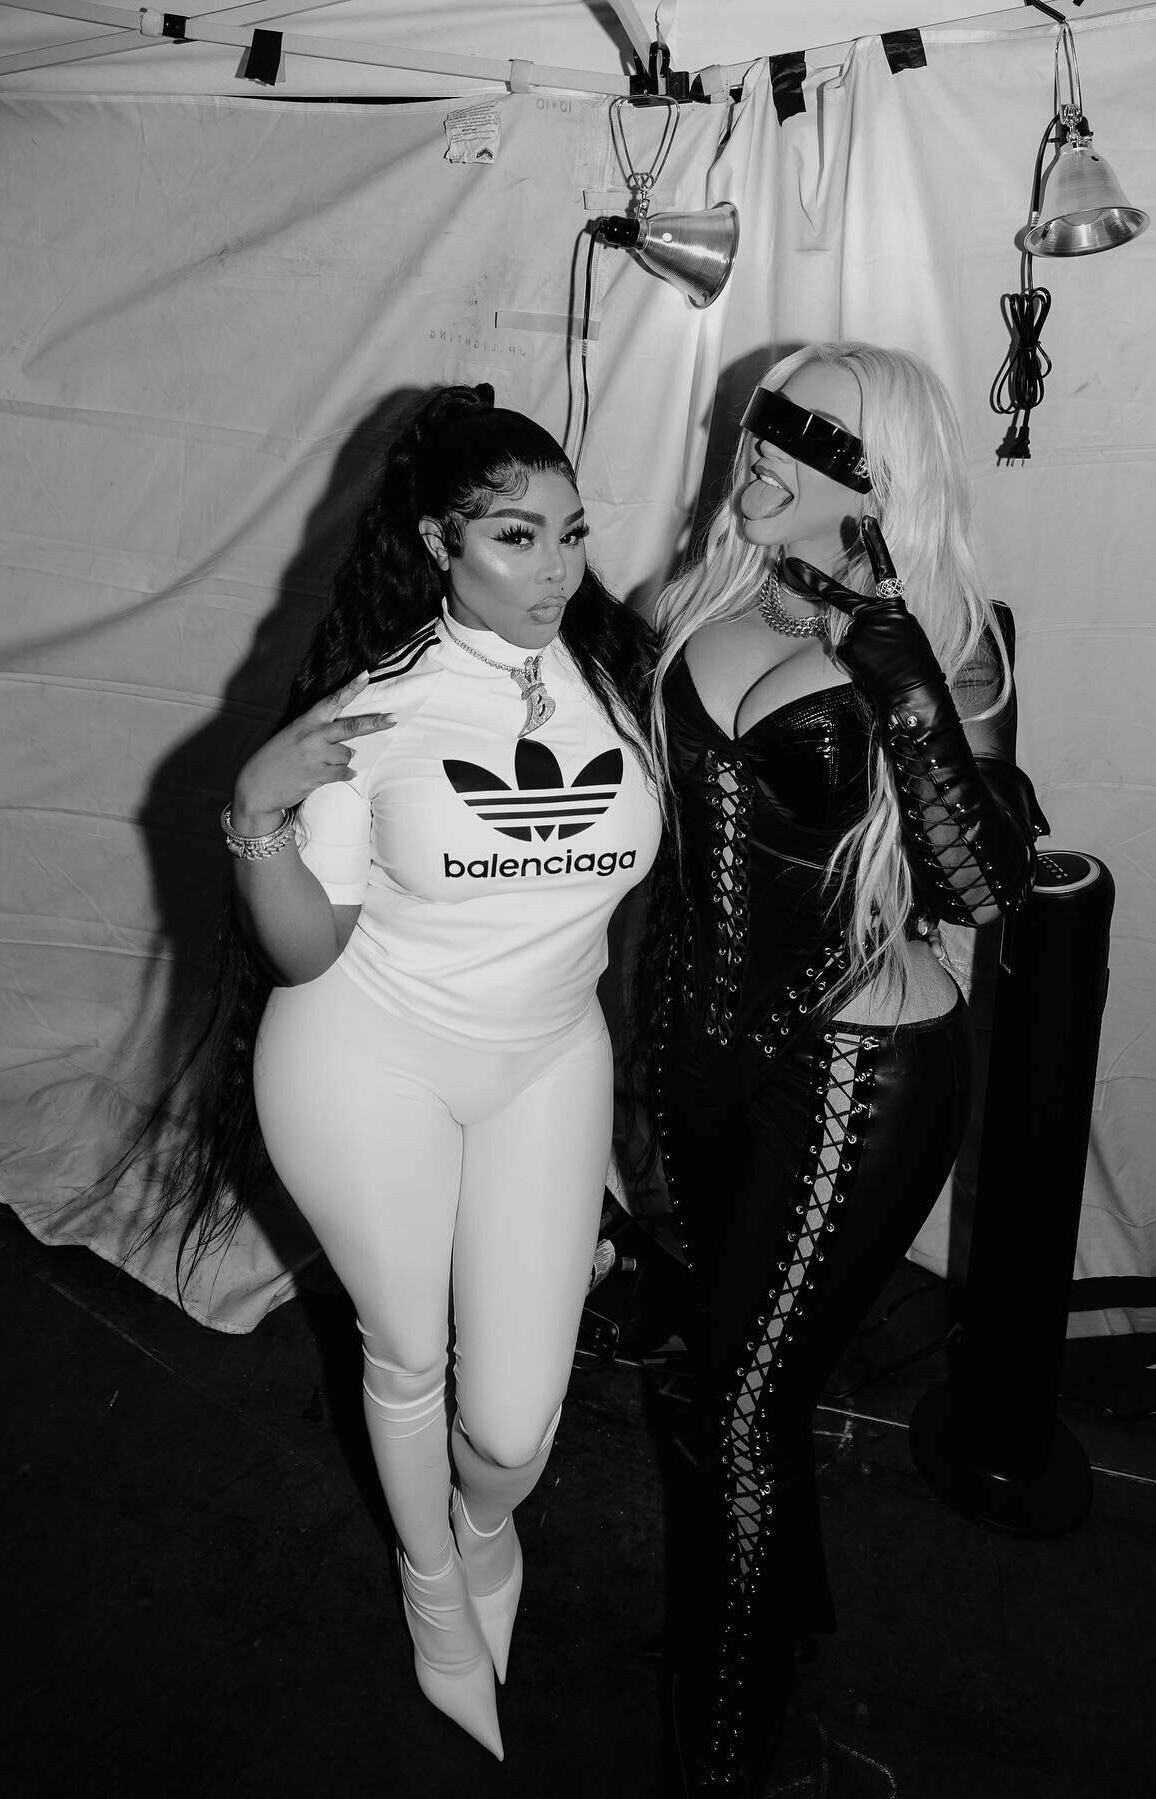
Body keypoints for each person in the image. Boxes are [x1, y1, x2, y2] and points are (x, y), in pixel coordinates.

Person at [164, 385, 662, 1759]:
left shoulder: (621, 675)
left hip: (547, 1058)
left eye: (571, 533)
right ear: (440, 542)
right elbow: (305, 951)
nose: (556, 569)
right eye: (517, 536)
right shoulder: (374, 712)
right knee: (408, 1353)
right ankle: (433, 1581)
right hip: (366, 1061)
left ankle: (481, 1523)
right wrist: (256, 811)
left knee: (513, 1426)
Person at [644, 343, 1047, 1796]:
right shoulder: (706, 597)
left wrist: (895, 663)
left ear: (875, 483)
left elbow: (984, 890)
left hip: (857, 1077)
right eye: (761, 428)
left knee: (742, 1406)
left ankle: (732, 1746)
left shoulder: (955, 641)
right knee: (726, 1370)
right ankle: (781, 1604)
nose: (755, 455)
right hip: (695, 1044)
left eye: (800, 442)